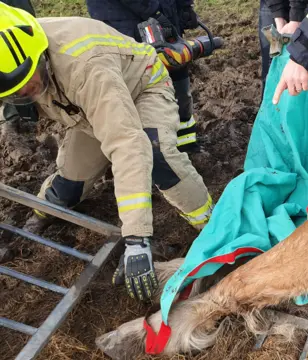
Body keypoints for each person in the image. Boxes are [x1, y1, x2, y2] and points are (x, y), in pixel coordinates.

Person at [0, 4, 214, 301]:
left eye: (31, 80)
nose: (28, 93)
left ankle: (211, 224)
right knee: (69, 186)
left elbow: (128, 144)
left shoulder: (84, 65)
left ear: (40, 54)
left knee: (156, 156)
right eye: (16, 94)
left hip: (142, 88)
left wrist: (137, 239)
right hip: (84, 110)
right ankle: (41, 213)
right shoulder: (11, 51)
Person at [85, 0, 201, 153]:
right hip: (123, 20)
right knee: (137, 86)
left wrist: (184, 6)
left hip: (160, 12)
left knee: (175, 68)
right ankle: (147, 151)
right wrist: (154, 11)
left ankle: (184, 142)